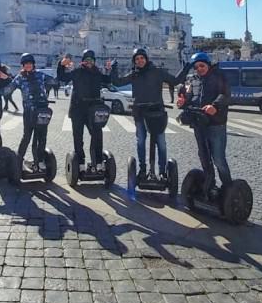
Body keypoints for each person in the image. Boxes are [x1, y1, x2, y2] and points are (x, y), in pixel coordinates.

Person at [110, 48, 181, 180]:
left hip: (156, 113)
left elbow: (176, 81)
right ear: (134, 62)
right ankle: (142, 169)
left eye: (142, 58)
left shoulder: (157, 72)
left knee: (161, 143)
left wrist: (188, 66)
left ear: (146, 59)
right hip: (140, 113)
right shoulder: (134, 74)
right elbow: (117, 82)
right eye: (137, 59)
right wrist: (114, 68)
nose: (140, 61)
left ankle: (162, 171)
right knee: (141, 141)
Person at [179, 52, 232, 197]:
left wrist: (215, 106)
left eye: (202, 66)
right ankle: (210, 184)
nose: (199, 69)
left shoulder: (218, 76)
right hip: (199, 122)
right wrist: (183, 102)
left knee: (218, 158)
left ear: (208, 64)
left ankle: (228, 188)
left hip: (215, 123)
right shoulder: (194, 80)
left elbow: (225, 94)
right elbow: (189, 96)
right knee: (203, 156)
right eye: (196, 67)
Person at [56, 50, 112, 171]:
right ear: (83, 61)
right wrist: (61, 65)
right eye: (86, 60)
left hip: (93, 109)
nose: (89, 62)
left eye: (91, 60)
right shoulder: (77, 72)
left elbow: (109, 80)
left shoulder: (98, 73)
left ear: (94, 61)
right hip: (78, 109)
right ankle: (80, 163)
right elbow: (62, 77)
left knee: (97, 135)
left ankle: (97, 162)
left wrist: (111, 69)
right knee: (78, 137)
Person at [0, 53, 50, 164]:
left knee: (42, 137)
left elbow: (55, 81)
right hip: (29, 112)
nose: (28, 65)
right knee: (27, 136)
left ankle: (39, 161)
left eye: (30, 63)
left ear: (33, 64)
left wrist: (62, 68)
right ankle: (18, 160)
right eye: (25, 64)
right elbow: (8, 89)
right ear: (23, 65)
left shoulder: (41, 75)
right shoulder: (20, 78)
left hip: (42, 111)